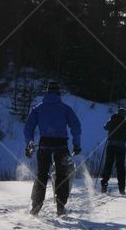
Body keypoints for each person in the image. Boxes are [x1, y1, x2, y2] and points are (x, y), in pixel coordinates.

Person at [24, 81, 82, 216]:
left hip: (44, 144)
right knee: (62, 175)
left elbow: (28, 127)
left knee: (41, 175)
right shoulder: (65, 108)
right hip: (61, 145)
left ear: (47, 92)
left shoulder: (38, 108)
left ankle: (36, 206)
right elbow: (76, 126)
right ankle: (60, 207)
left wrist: (29, 143)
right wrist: (77, 144)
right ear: (58, 92)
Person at [100, 107, 126, 194]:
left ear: (117, 113)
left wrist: (110, 121)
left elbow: (105, 127)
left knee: (108, 165)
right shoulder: (125, 122)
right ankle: (121, 188)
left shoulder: (112, 119)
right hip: (121, 147)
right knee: (120, 167)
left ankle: (104, 185)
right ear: (124, 114)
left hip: (110, 146)